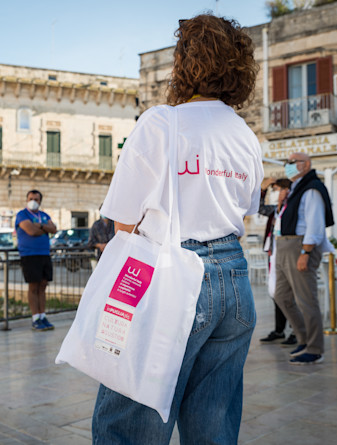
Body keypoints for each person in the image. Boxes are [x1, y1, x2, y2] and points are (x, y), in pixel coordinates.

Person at [91, 14, 263, 444]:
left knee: (131, 423)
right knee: (213, 424)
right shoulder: (244, 134)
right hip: (234, 278)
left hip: (169, 274)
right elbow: (244, 208)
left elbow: (124, 223)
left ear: (184, 63)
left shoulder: (161, 122)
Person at [274, 152, 334, 365]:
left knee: (306, 299)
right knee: (281, 296)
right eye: (287, 162)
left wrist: (305, 253)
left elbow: (315, 225)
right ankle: (303, 338)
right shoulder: (295, 190)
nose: (288, 166)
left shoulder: (312, 189)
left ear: (306, 164)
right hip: (284, 245)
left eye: (293, 162)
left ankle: (315, 348)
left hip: (299, 246)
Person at [258, 178, 297, 345]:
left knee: (292, 294)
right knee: (276, 292)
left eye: (277, 189)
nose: (275, 193)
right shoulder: (275, 210)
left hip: (289, 254)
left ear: (287, 190)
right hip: (274, 255)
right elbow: (258, 208)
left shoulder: (293, 208)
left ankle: (297, 330)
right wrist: (263, 190)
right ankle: (279, 329)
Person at [15, 190, 57, 331]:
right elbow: (30, 231)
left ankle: (42, 315)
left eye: (36, 199)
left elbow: (54, 229)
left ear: (40, 201)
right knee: (33, 286)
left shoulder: (44, 215)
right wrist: (44, 229)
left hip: (44, 253)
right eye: (30, 198)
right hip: (29, 255)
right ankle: (35, 318)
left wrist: (40, 226)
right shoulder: (22, 214)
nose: (33, 200)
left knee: (43, 285)